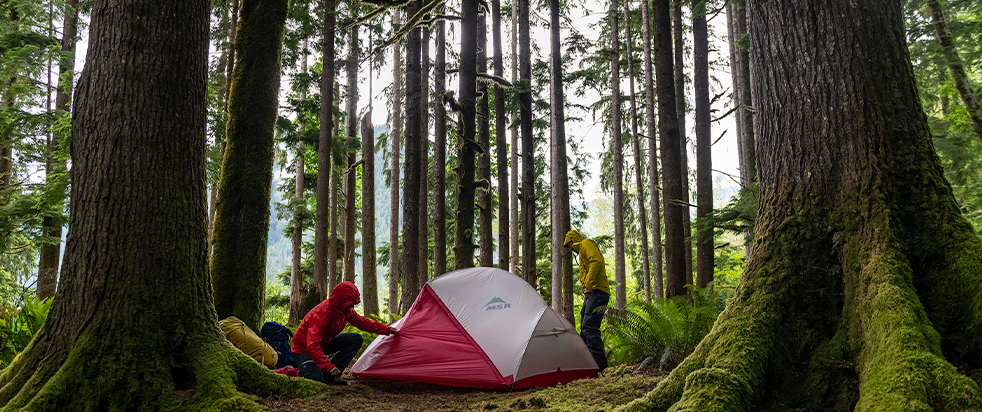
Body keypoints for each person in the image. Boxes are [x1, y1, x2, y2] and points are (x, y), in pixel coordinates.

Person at [291, 281, 398, 385]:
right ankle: (321, 369)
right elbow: (312, 345)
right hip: (303, 349)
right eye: (350, 303)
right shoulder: (322, 313)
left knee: (355, 339)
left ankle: (332, 375)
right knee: (316, 381)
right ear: (342, 300)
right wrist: (328, 366)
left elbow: (363, 323)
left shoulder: (345, 311)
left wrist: (387, 329)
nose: (352, 306)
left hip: (323, 344)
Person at [564, 229, 610, 372]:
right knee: (585, 325)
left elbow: (596, 262)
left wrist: (588, 285)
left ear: (573, 240)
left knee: (589, 325)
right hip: (593, 292)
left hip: (598, 291)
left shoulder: (586, 244)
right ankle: (586, 363)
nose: (569, 249)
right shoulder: (582, 251)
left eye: (569, 245)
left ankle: (599, 366)